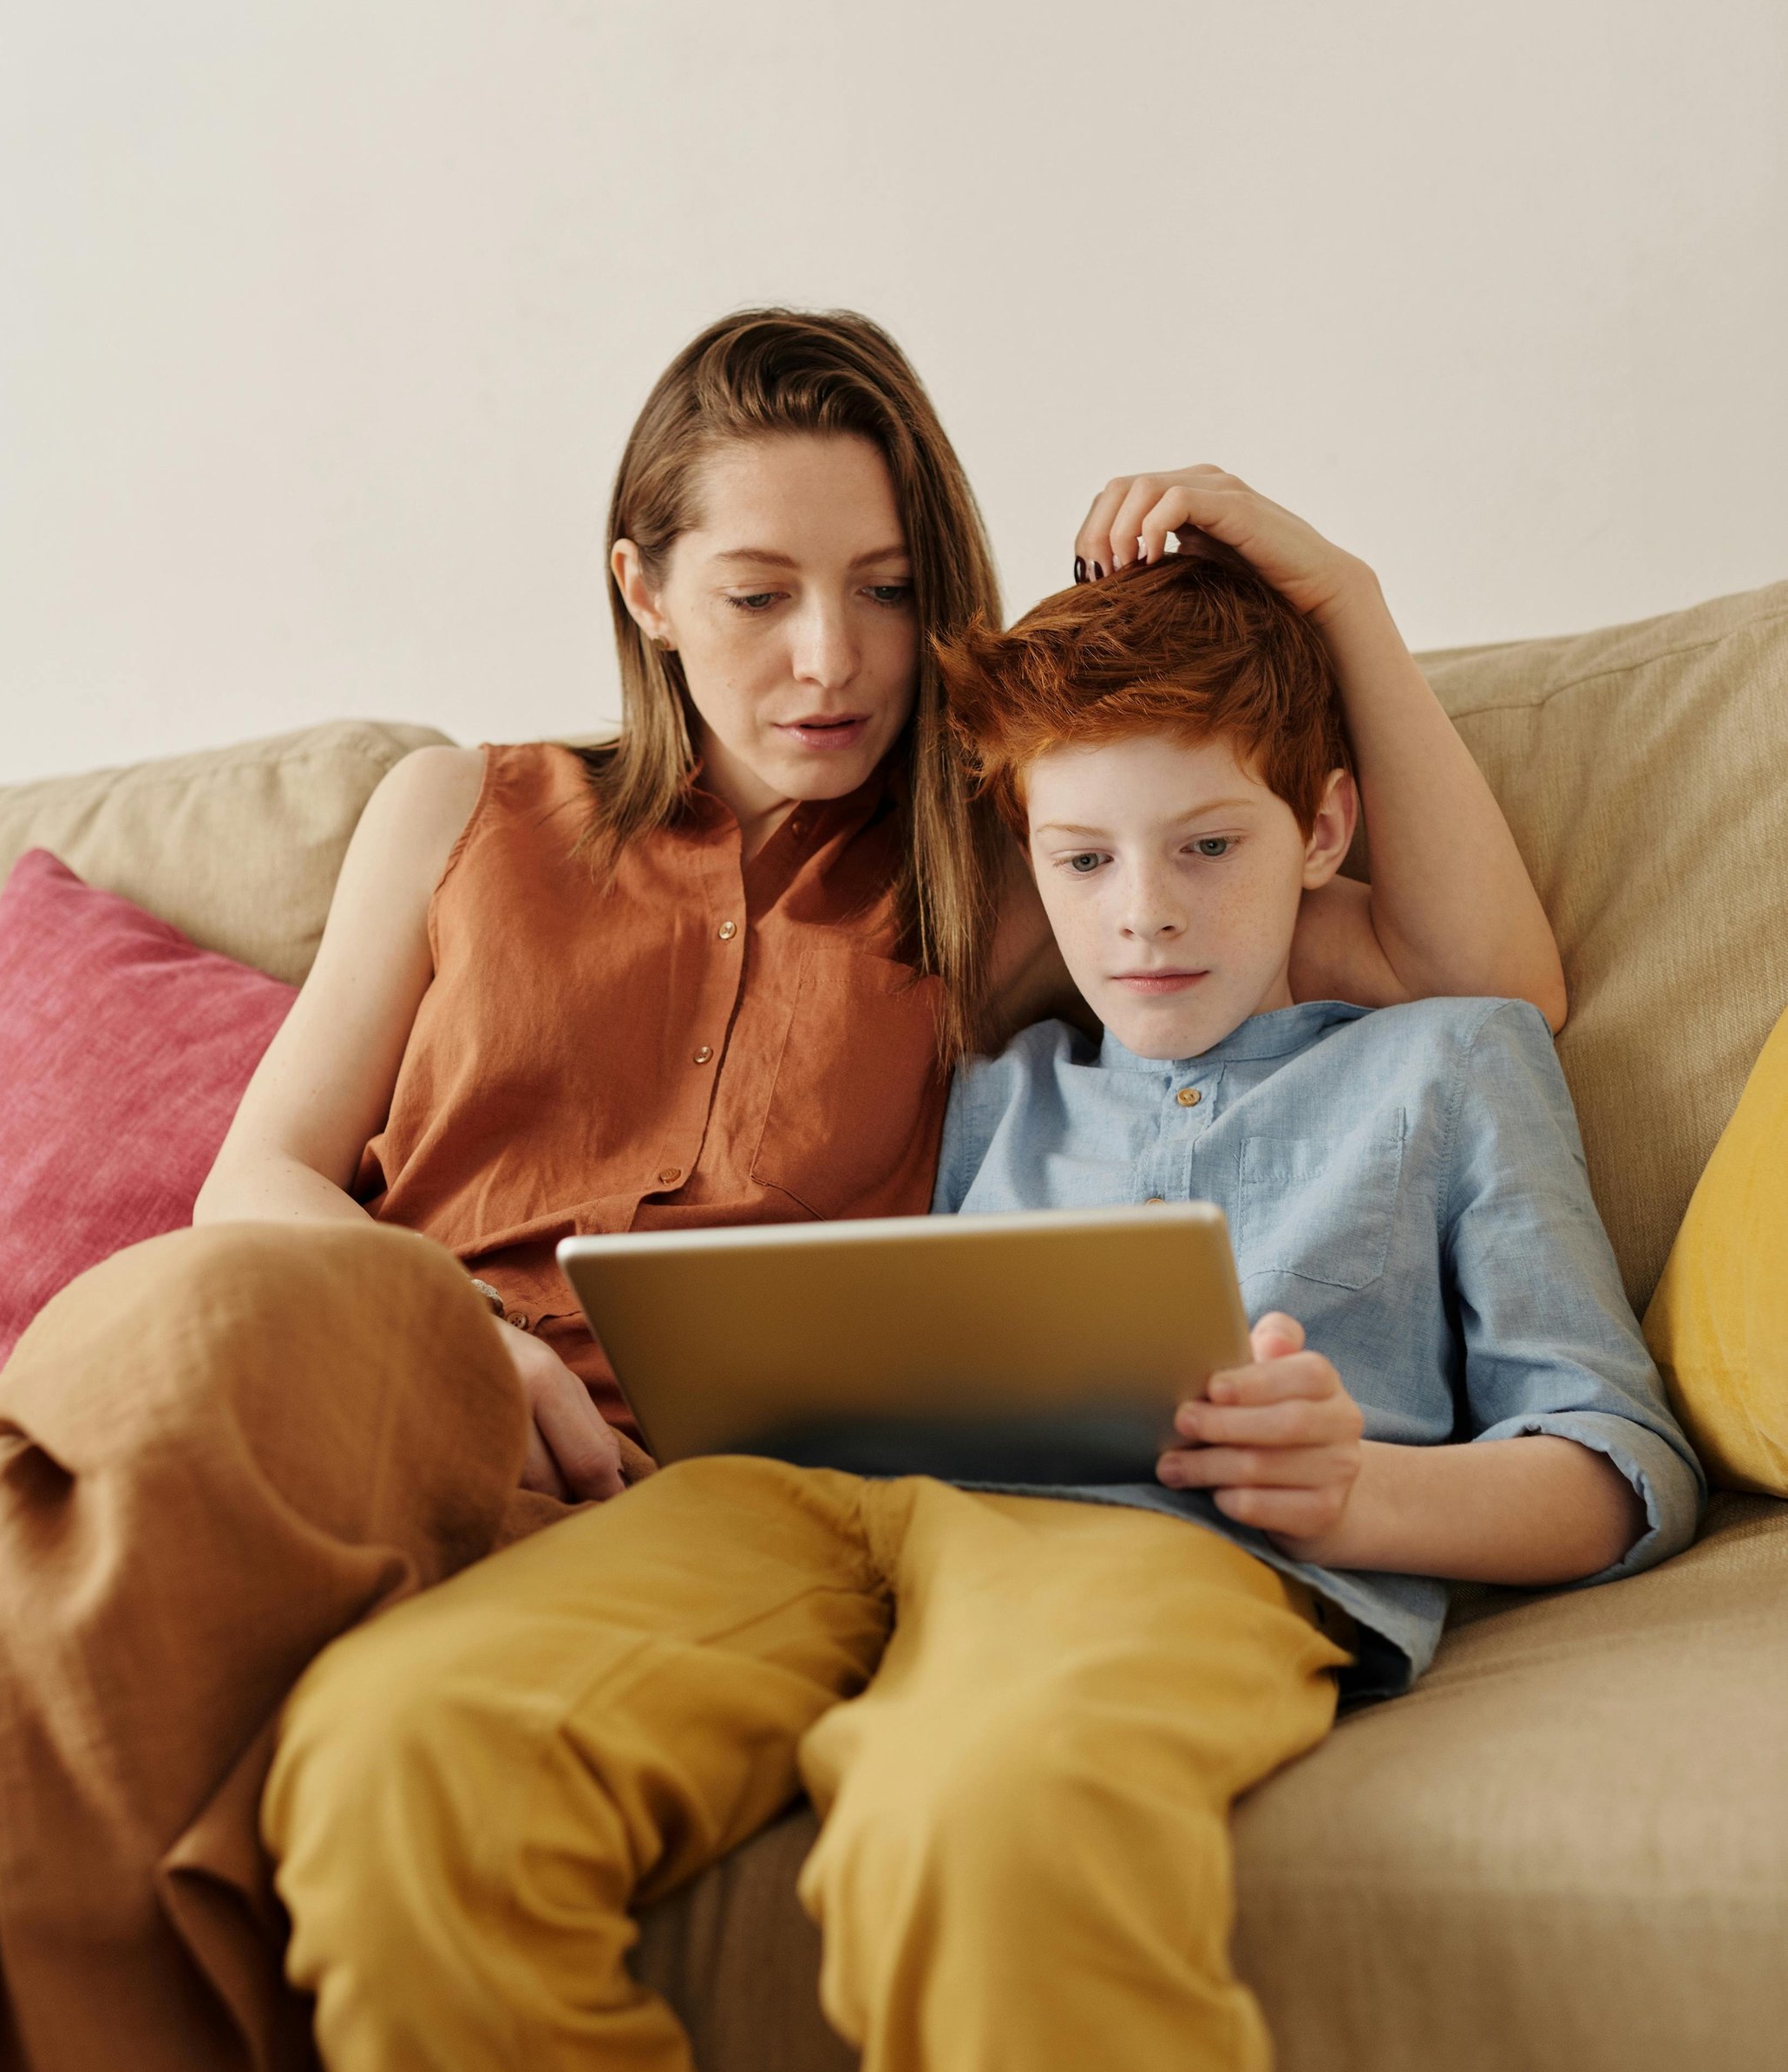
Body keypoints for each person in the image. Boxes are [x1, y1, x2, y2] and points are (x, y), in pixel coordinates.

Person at [0, 311, 1564, 2072]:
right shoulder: (454, 810)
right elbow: (257, 1179)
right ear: (642, 589)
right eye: (756, 593)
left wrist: (1338, 595)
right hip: (381, 1360)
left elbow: (1469, 971)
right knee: (181, 1339)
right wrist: (469, 1332)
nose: (831, 658)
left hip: (674, 1497)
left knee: (134, 1622)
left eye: (886, 590)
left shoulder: (1006, 878)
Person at [260, 549, 1701, 2071]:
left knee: (977, 1812)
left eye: (1209, 846)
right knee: (396, 1743)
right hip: (814, 1499)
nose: (1143, 915)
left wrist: (1364, 1492)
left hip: (1165, 1539)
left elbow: (1620, 1457)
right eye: (1084, 862)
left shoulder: (1449, 1060)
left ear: (1326, 829)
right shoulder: (1000, 1078)